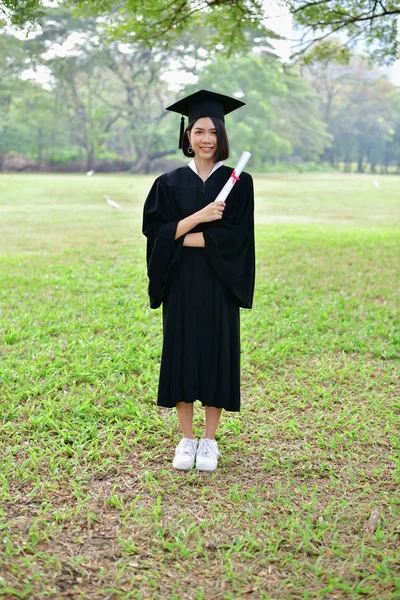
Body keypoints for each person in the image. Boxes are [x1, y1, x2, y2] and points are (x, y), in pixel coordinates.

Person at [142, 89, 255, 472]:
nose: (206, 139)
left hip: (219, 282)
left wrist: (183, 237)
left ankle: (209, 440)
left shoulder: (239, 182)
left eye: (213, 132)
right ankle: (186, 438)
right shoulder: (168, 183)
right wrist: (199, 218)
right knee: (182, 351)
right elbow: (154, 233)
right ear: (188, 136)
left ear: (222, 138)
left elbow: (237, 238)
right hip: (181, 284)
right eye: (199, 132)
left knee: (216, 354)